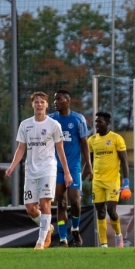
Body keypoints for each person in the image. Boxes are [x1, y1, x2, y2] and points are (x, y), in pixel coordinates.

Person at [5, 91, 72, 250]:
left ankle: (41, 242)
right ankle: (47, 227)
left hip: (48, 169)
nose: (39, 104)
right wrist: (12, 166)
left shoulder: (53, 125)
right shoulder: (25, 125)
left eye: (42, 101)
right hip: (31, 170)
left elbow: (60, 150)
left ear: (47, 105)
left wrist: (67, 172)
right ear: (32, 104)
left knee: (44, 203)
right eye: (36, 102)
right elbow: (21, 148)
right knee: (30, 208)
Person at [49, 90, 92, 247]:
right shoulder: (51, 119)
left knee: (74, 200)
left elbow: (84, 143)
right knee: (60, 202)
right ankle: (62, 239)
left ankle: (75, 229)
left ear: (67, 101)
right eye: (55, 99)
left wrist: (89, 164)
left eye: (59, 99)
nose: (56, 102)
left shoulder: (78, 119)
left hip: (73, 167)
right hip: (56, 166)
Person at [88, 111, 130, 248]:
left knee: (111, 211)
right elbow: (89, 162)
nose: (97, 124)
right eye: (96, 122)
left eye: (99, 122)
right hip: (97, 181)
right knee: (99, 211)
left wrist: (126, 182)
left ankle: (118, 235)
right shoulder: (92, 140)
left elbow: (124, 161)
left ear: (106, 123)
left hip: (113, 180)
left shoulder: (116, 139)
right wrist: (79, 180)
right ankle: (103, 244)